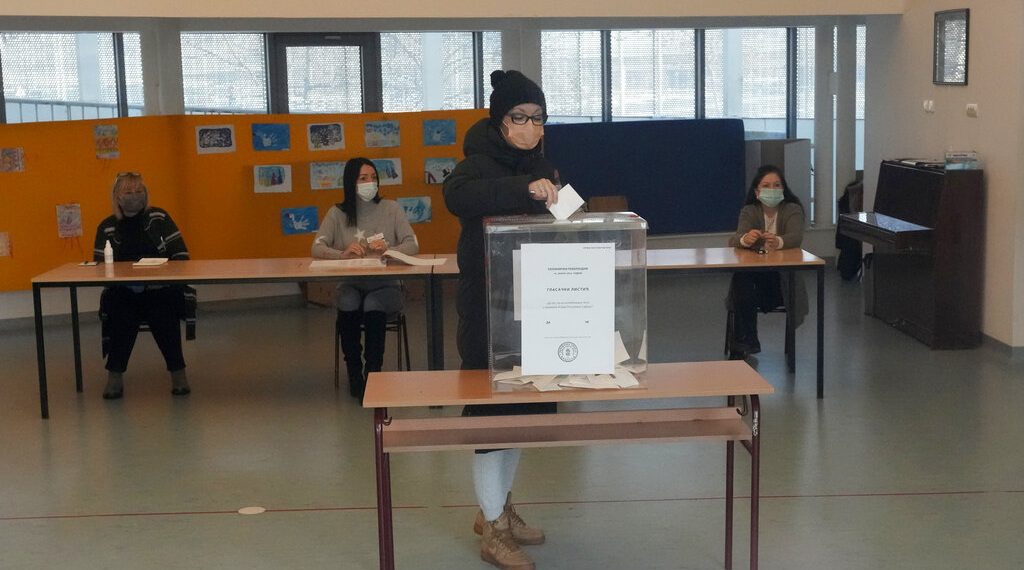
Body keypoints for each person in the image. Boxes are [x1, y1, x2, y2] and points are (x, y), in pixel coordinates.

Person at [444, 69, 560, 570]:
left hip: (534, 307)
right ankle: (491, 527)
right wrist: (525, 188)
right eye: (520, 117)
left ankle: (500, 509)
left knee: (523, 412)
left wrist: (561, 202)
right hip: (487, 310)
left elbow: (560, 210)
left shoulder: (539, 162)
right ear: (500, 120)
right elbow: (459, 198)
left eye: (538, 118)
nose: (529, 126)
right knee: (491, 415)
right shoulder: (476, 162)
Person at [311, 157, 419, 400]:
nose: (370, 182)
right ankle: (354, 374)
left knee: (373, 304)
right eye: (363, 178)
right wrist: (342, 254)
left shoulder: (391, 209)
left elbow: (413, 244)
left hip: (386, 287)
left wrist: (390, 250)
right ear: (351, 182)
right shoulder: (337, 214)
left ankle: (373, 373)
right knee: (348, 301)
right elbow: (317, 248)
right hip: (351, 283)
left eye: (373, 178)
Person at [92, 172, 193, 399]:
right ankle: (115, 375)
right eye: (128, 192)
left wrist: (160, 272)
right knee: (121, 314)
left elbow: (181, 256)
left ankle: (178, 372)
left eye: (139, 192)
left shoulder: (159, 217)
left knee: (163, 314)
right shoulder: (107, 227)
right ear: (117, 197)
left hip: (161, 289)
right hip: (124, 291)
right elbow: (99, 267)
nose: (134, 196)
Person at [726, 164, 808, 360]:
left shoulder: (792, 209)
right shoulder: (749, 211)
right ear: (757, 191)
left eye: (777, 185)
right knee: (741, 279)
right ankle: (747, 341)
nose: (772, 189)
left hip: (782, 282)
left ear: (783, 189)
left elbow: (795, 237)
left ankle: (742, 345)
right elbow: (735, 239)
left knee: (743, 287)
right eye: (767, 185)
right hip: (754, 281)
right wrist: (747, 239)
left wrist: (778, 241)